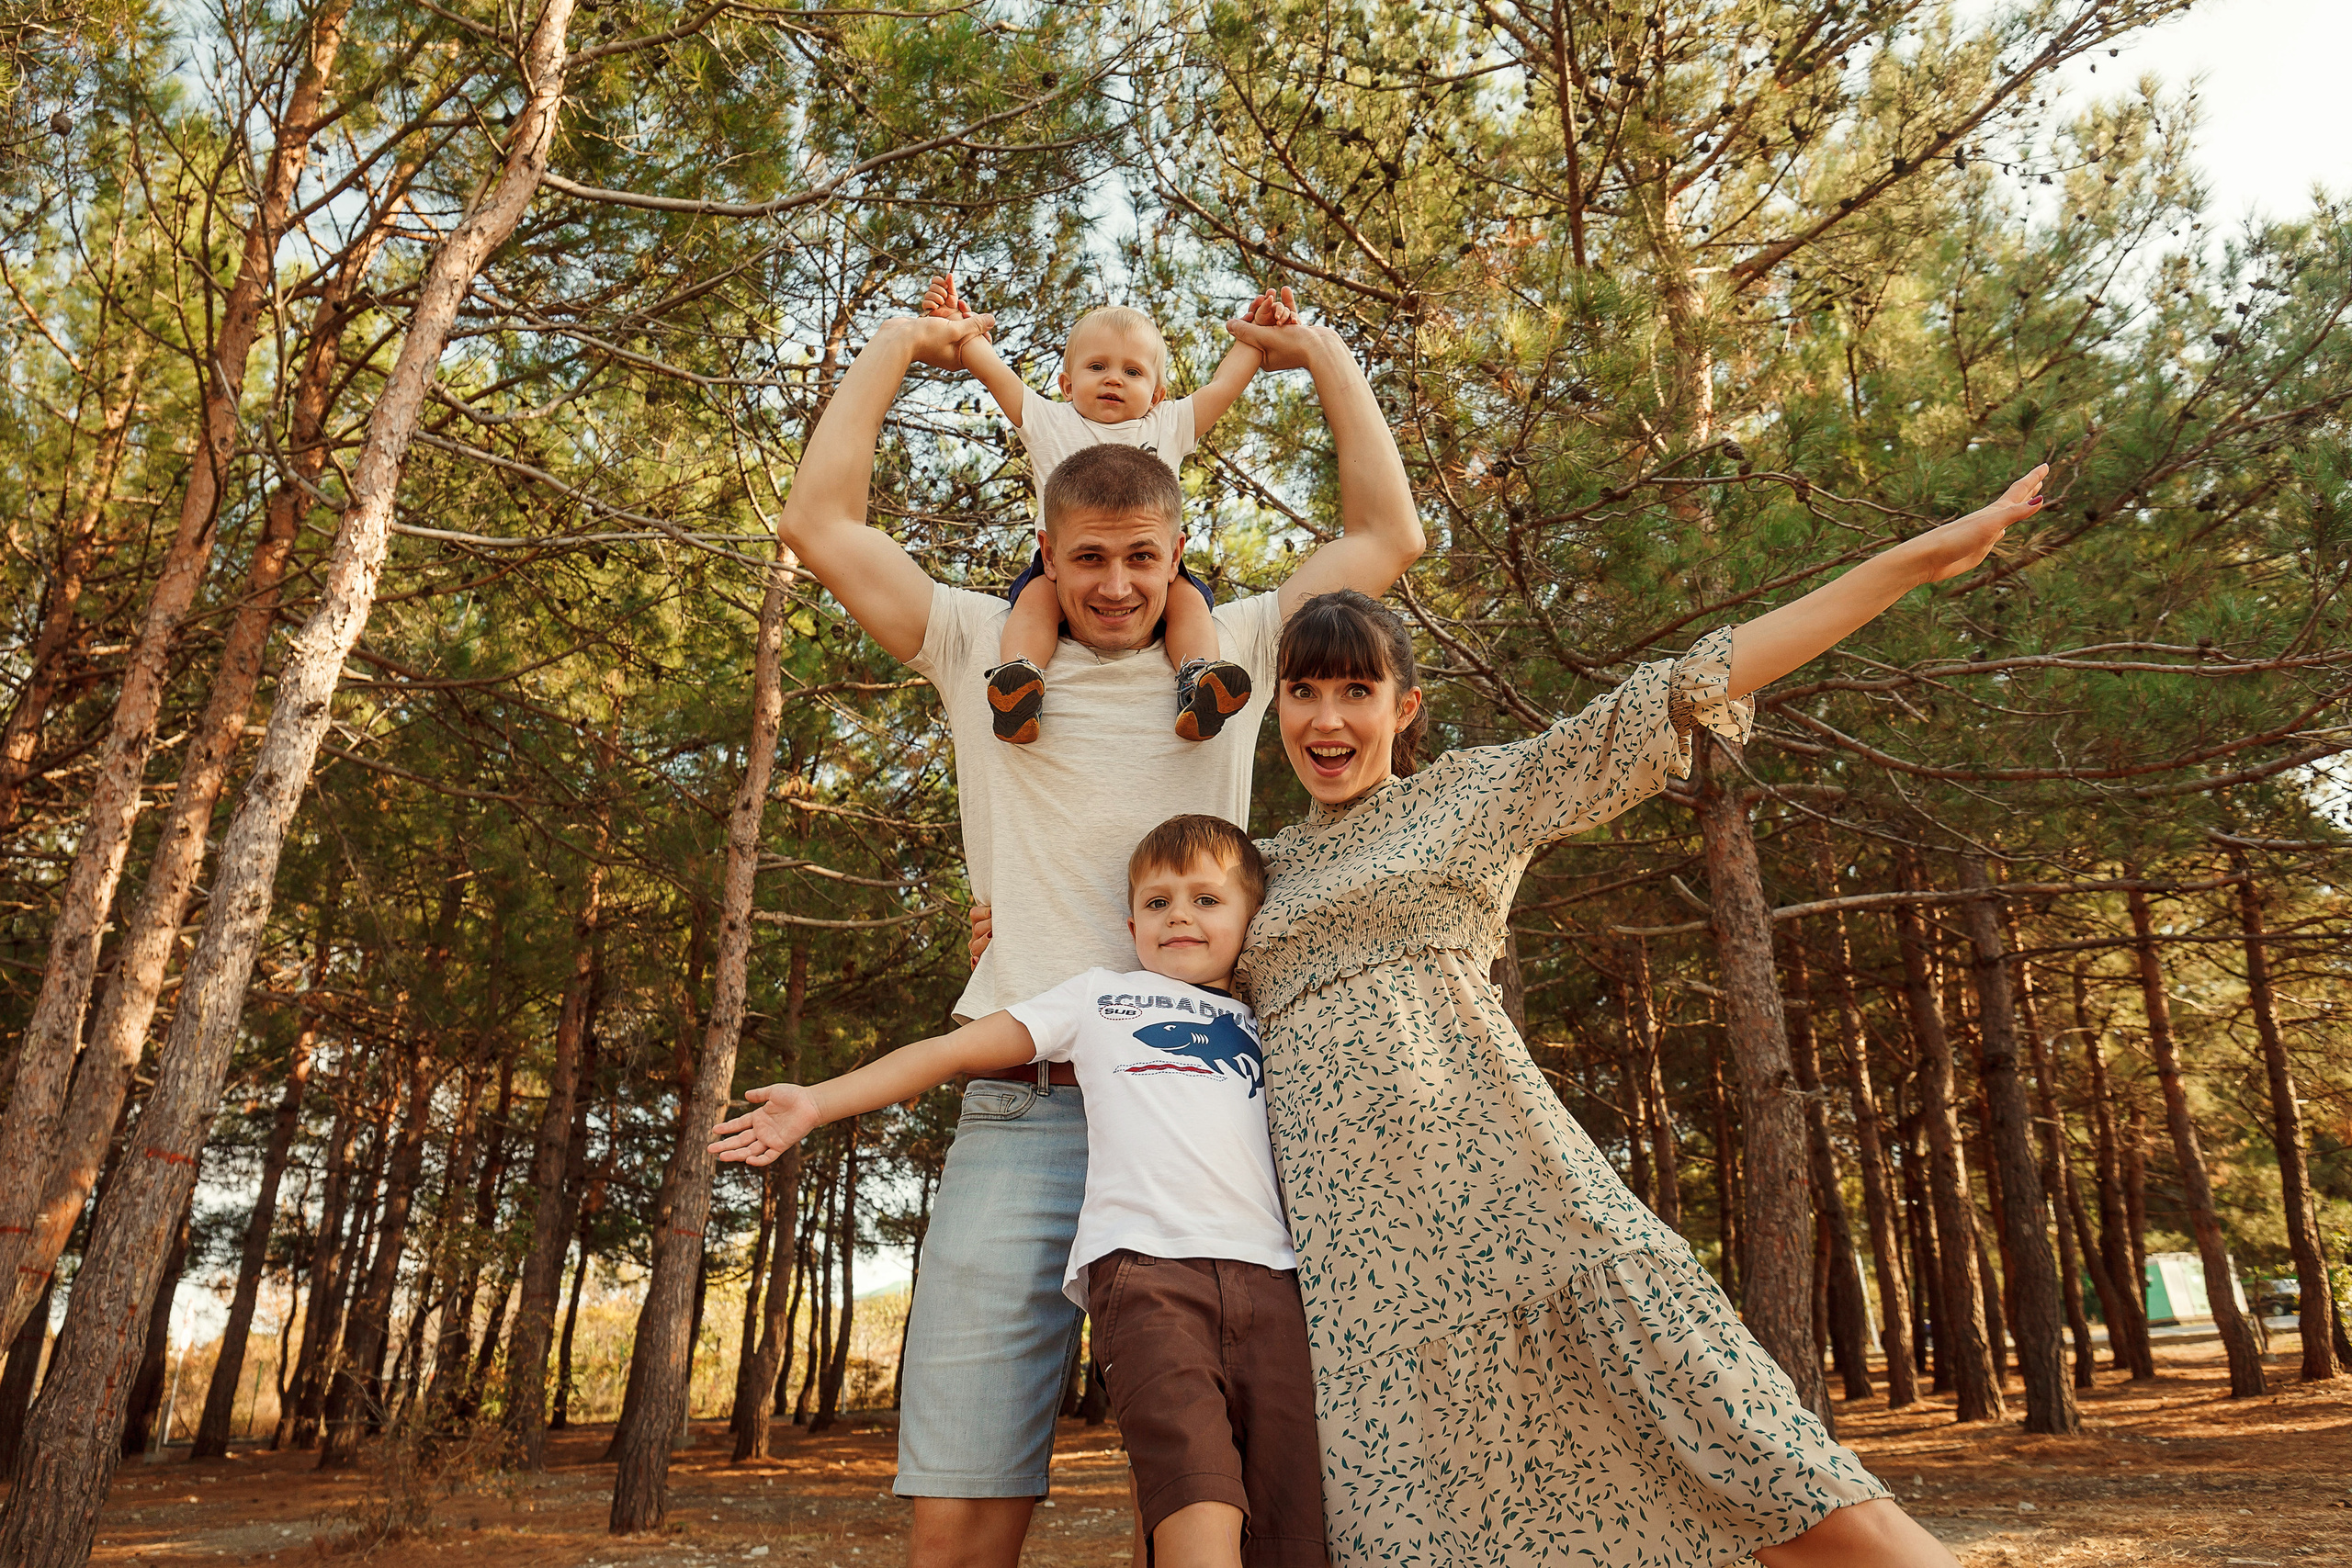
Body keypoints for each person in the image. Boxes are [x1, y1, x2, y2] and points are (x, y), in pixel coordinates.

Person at [976, 468, 2049, 1566]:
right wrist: (1006, 937)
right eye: (1303, 692)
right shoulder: (1256, 878)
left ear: (1404, 709)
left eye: (1355, 693)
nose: (1327, 718)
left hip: (1518, 1205)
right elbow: (1146, 976)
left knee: (1760, 1463)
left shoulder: (1474, 797)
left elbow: (1683, 687)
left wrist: (1914, 560)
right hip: (1358, 1280)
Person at [771, 302, 1419, 1568]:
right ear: (1046, 555)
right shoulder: (974, 646)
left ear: (1177, 554)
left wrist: (1325, 352)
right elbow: (818, 525)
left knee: (1225, 1503)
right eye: (1086, 560)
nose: (1116, 585)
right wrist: (901, 344)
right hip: (1024, 1107)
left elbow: (1387, 533)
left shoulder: (1233, 652)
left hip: (1205, 1115)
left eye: (1141, 557)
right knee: (959, 1521)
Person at [712, 817, 1323, 1568]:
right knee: (1198, 1499)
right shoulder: (1100, 998)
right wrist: (820, 1100)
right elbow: (951, 1049)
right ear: (1129, 924)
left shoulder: (1281, 1012)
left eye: (1206, 899)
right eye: (1158, 903)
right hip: (1150, 1274)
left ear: (1251, 918)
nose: (1181, 918)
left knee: (1291, 1528)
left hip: (1275, 1282)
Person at [920, 274, 1277, 745]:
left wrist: (1257, 338)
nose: (1113, 378)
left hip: (1145, 565)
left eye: (1133, 372)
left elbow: (1224, 387)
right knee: (1033, 603)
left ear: (1157, 394)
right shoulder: (1051, 421)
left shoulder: (1166, 425)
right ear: (1067, 383)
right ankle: (1018, 684)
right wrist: (959, 329)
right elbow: (994, 373)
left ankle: (1197, 682)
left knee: (1188, 603)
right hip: (1065, 568)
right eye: (1096, 366)